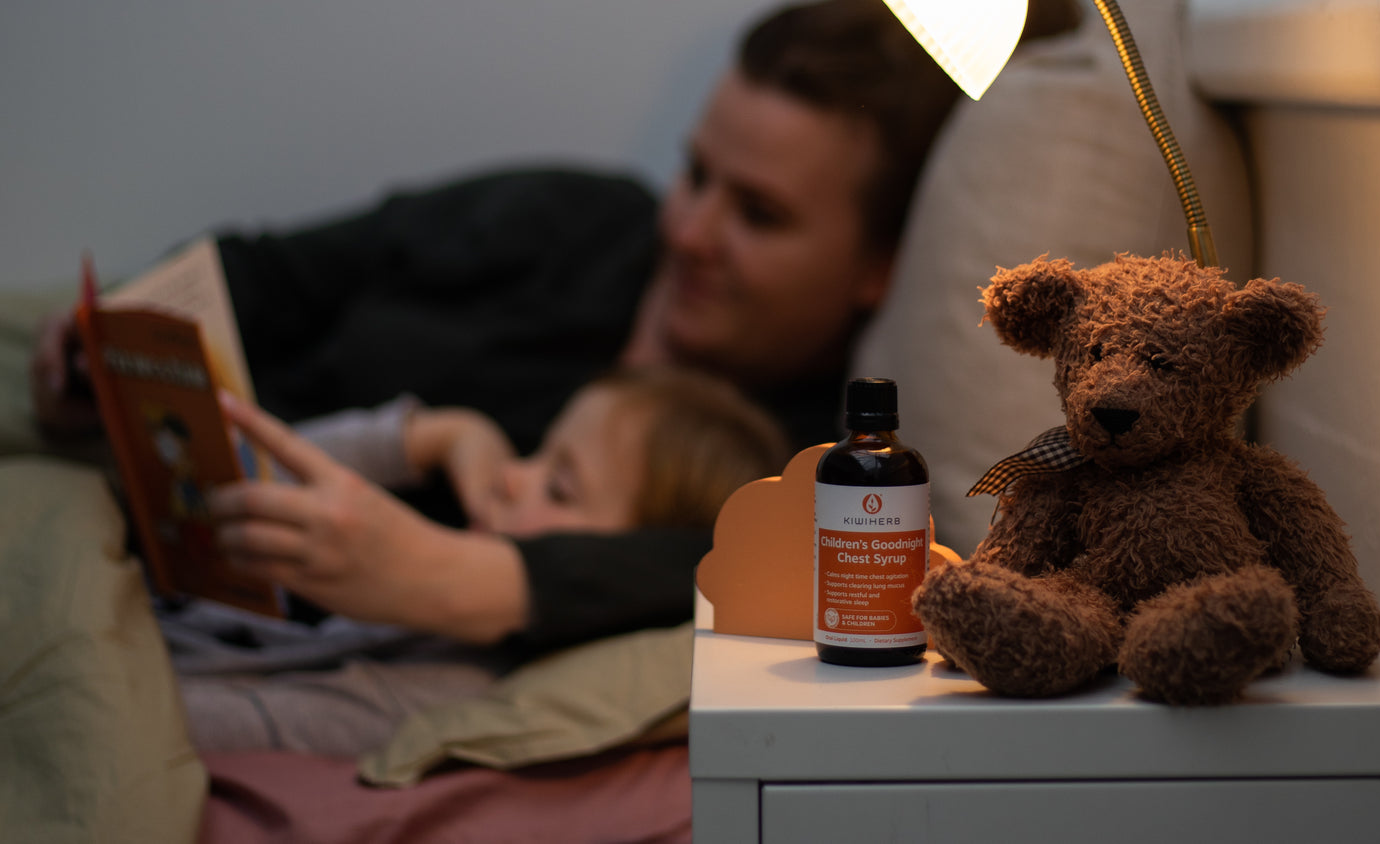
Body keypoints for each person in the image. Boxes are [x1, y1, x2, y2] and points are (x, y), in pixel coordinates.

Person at [29, 2, 1079, 667]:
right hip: (112, 469)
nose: (692, 233)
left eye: (758, 214)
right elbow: (273, 270)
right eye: (697, 174)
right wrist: (113, 344)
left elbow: (727, 567)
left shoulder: (792, 461)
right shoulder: (574, 221)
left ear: (876, 268)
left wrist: (454, 576)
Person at [166, 366, 789, 755]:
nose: (510, 476)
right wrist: (430, 437)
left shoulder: (447, 690)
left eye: (559, 488)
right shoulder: (429, 614)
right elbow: (234, 492)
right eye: (539, 453)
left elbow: (188, 723)